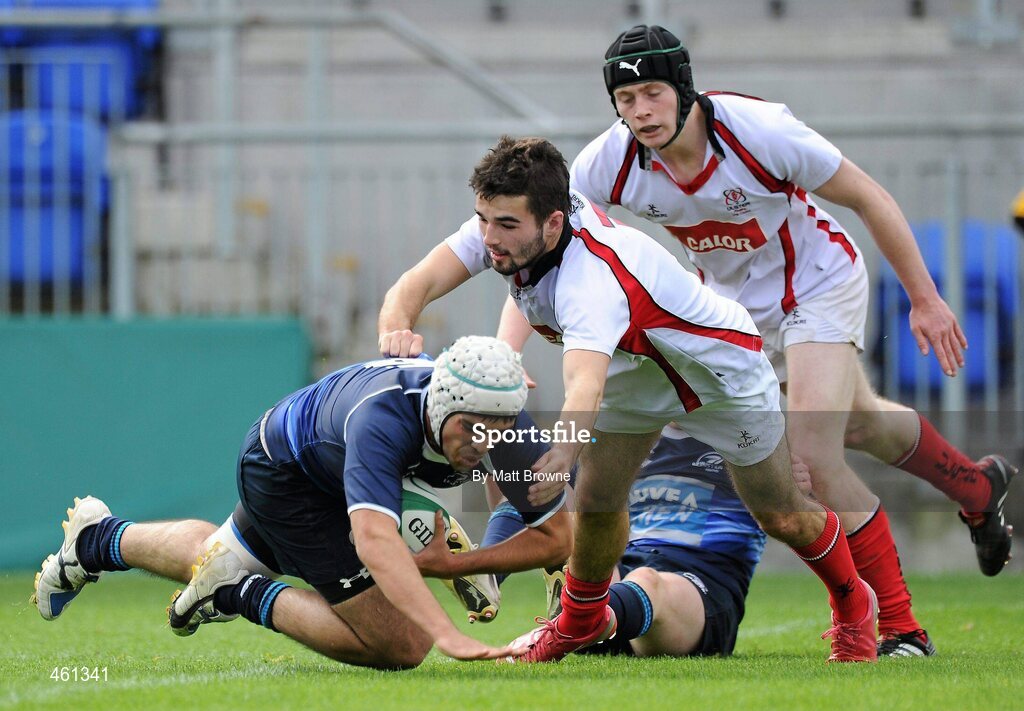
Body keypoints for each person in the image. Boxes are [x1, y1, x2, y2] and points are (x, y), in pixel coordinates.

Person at [545, 24, 1018, 655]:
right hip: (732, 312)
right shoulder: (608, 160)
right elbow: (554, 247)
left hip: (818, 283)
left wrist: (925, 299)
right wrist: (516, 335)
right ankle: (977, 488)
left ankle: (902, 628)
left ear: (684, 89)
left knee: (815, 456)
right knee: (862, 424)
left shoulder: (759, 131)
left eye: (653, 93)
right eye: (626, 101)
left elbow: (869, 197)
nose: (641, 111)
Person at [378, 136, 879, 663]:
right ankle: (578, 621)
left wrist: (563, 453)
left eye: (505, 226)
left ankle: (852, 602)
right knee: (595, 502)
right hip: (638, 378)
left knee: (784, 517)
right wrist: (396, 330)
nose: (489, 238)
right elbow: (413, 285)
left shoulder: (589, 282)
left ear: (553, 223)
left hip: (721, 378)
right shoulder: (505, 226)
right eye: (483, 219)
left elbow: (585, 385)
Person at [31, 336, 572, 669]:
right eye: (472, 429)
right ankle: (236, 594)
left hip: (322, 461)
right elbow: (376, 542)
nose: (485, 442)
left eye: (498, 430)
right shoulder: (382, 421)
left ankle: (95, 540)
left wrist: (460, 564)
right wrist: (446, 632)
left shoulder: (503, 422)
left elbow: (558, 537)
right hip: (286, 472)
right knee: (403, 643)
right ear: (443, 405)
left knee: (225, 549)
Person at [489, 426, 804, 658]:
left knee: (648, 582)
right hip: (614, 571)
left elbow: (797, 518)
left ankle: (569, 625)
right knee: (535, 478)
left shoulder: (748, 439)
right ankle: (485, 575)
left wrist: (795, 488)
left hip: (699, 587)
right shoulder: (623, 431)